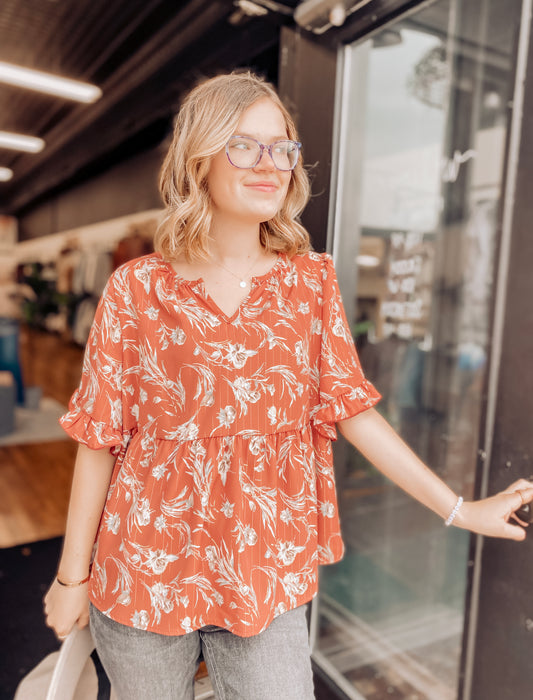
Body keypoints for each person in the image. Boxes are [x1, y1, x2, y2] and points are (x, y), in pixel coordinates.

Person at [43, 71, 533, 700]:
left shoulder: (310, 284)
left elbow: (355, 412)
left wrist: (460, 510)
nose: (268, 163)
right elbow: (99, 439)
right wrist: (71, 577)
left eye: (282, 147)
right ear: (200, 158)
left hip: (263, 569)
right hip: (143, 567)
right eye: (244, 145)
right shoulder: (137, 289)